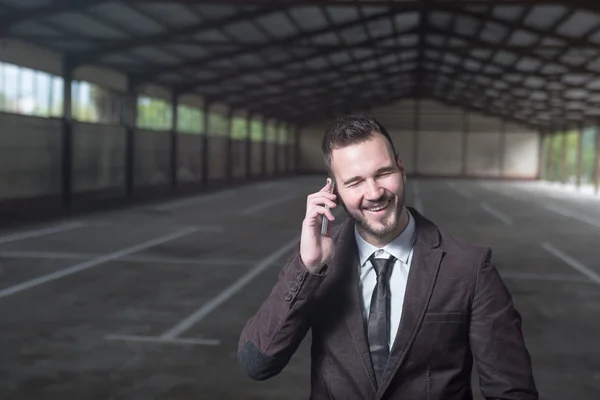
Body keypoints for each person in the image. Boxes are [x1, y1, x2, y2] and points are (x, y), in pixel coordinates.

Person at [237, 114, 538, 399]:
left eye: (383, 173)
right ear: (333, 191)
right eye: (354, 182)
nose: (374, 192)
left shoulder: (469, 268)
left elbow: (512, 390)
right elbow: (258, 364)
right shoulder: (316, 266)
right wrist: (308, 268)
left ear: (401, 169)